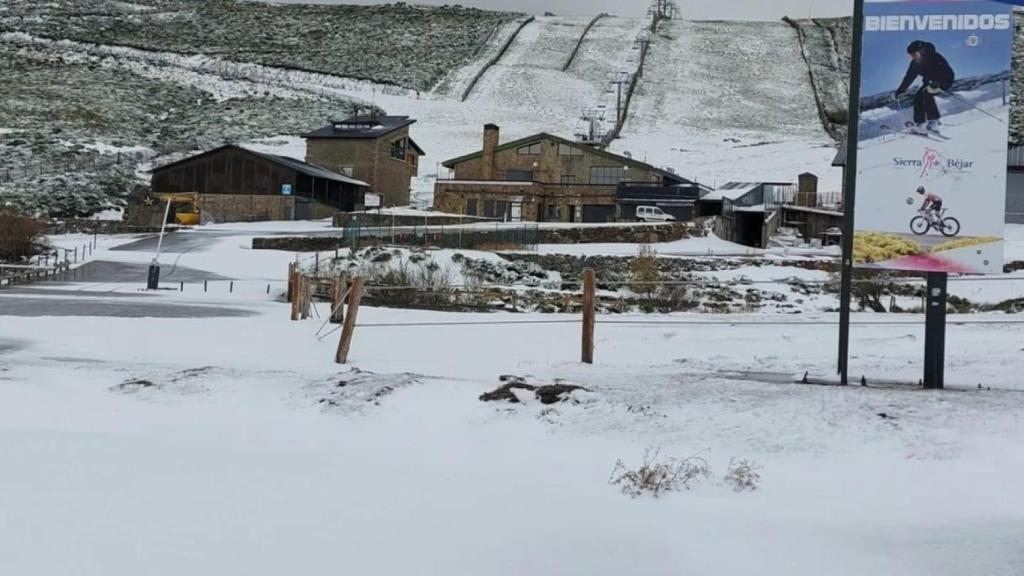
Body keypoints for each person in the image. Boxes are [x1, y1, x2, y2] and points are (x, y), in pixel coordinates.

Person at [894, 40, 955, 132]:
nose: (914, 57)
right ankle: (920, 124)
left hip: (944, 80)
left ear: (922, 51)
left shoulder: (935, 57)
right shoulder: (914, 64)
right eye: (911, 56)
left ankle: (934, 122)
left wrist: (937, 82)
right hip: (929, 83)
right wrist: (900, 90)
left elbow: (946, 71)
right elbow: (909, 77)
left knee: (927, 93)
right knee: (918, 96)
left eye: (915, 54)